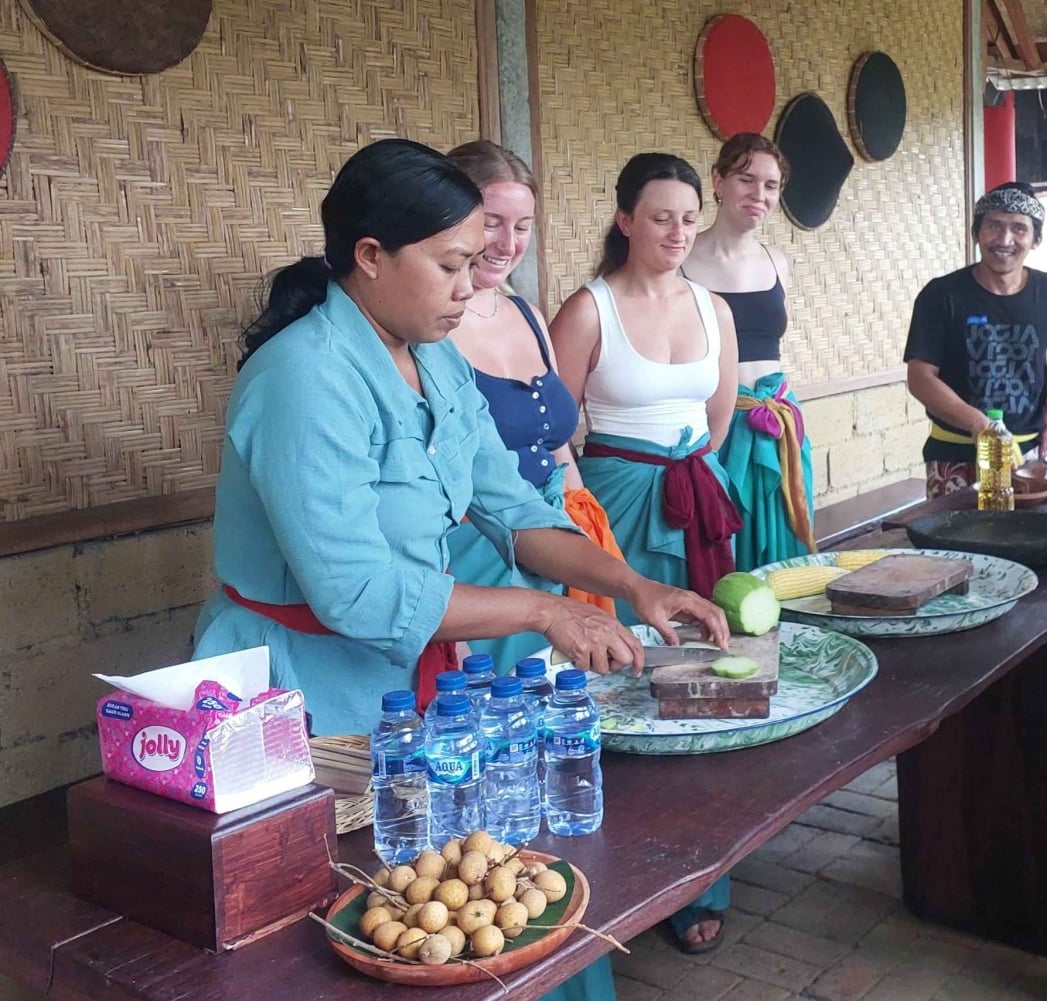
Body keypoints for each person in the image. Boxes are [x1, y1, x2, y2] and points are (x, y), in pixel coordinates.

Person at [193, 138, 728, 741]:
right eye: (449, 267)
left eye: (472, 265)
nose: (468, 288)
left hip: (404, 682)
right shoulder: (304, 378)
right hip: (300, 688)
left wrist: (636, 586)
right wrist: (545, 610)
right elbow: (358, 594)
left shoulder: (437, 360)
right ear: (370, 256)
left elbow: (515, 511)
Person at [550, 151, 738, 956]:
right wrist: (585, 519)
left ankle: (706, 871)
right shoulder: (587, 309)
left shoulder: (714, 307)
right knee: (625, 685)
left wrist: (689, 481)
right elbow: (552, 431)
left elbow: (718, 418)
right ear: (625, 219)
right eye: (661, 217)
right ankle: (631, 870)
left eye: (689, 218)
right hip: (616, 509)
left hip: (695, 499)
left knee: (704, 676)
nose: (677, 232)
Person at [441, 140, 625, 671]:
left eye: (522, 226)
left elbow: (557, 444)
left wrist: (586, 524)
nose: (507, 243)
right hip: (477, 553)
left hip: (555, 538)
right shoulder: (430, 329)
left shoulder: (528, 314)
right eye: (491, 223)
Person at [682, 133, 816, 569]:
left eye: (771, 185)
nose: (759, 194)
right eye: (746, 180)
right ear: (718, 181)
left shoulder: (777, 261)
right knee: (723, 554)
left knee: (783, 557)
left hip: (778, 425)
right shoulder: (681, 260)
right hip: (713, 426)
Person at [903, 182, 1047, 498]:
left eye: (1019, 228)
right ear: (976, 233)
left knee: (1032, 529)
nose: (1004, 239)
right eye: (994, 226)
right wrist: (977, 423)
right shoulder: (941, 295)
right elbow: (920, 378)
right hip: (955, 456)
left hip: (1029, 454)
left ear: (1035, 239)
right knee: (953, 531)